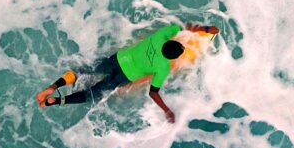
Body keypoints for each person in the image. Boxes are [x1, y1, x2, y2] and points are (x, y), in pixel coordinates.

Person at [35, 23, 218, 123]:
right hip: (122, 77)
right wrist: (167, 110)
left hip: (117, 59)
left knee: (83, 71)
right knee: (92, 94)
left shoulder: (161, 35)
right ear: (173, 57)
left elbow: (185, 28)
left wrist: (203, 29)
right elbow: (153, 93)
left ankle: (53, 87)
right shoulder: (163, 67)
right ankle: (54, 101)